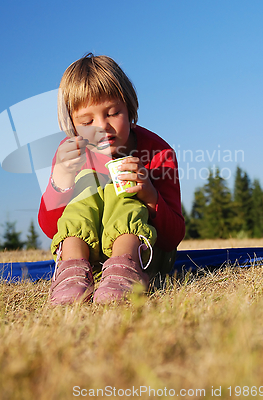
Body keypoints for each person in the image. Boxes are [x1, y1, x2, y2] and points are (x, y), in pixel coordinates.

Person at [38, 53, 185, 305]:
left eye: (113, 113)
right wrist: (61, 178)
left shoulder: (158, 152)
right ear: (73, 125)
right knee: (88, 181)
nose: (102, 127)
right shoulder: (70, 154)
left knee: (122, 186)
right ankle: (72, 270)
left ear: (129, 108)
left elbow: (173, 236)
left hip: (144, 260)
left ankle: (124, 264)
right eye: (87, 121)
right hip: (90, 265)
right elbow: (52, 229)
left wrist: (149, 194)